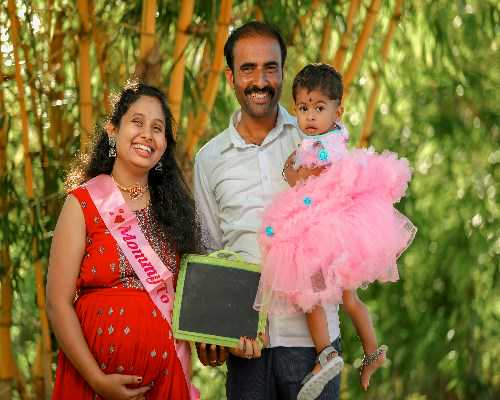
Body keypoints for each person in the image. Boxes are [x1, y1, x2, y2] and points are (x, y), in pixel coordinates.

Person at [193, 22, 342, 400]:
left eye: (270, 68)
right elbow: (210, 251)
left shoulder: (314, 140)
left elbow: (345, 222)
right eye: (248, 69)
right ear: (230, 77)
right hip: (246, 347)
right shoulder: (209, 159)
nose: (260, 81)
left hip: (315, 347)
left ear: (283, 72)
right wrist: (211, 332)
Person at [254, 63, 417, 399]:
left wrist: (292, 170)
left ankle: (325, 352)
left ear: (337, 111)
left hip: (322, 238)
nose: (310, 116)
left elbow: (307, 175)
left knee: (311, 293)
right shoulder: (332, 136)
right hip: (336, 236)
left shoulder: (321, 147)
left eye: (319, 108)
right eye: (303, 108)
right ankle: (372, 352)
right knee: (349, 299)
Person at [46, 82, 199, 400]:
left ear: (164, 145)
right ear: (113, 131)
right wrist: (97, 380)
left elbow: (190, 305)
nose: (147, 134)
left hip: (165, 384)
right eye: (137, 122)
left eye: (157, 128)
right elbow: (57, 303)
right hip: (90, 385)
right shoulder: (82, 204)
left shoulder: (175, 215)